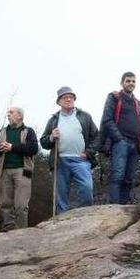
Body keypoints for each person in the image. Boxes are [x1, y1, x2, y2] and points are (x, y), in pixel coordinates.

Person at [40, 86, 99, 215]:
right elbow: (43, 142)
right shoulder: (54, 120)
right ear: (59, 102)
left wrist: (88, 153)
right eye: (65, 97)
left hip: (81, 160)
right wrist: (51, 137)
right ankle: (62, 224)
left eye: (71, 97)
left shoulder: (85, 117)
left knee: (87, 189)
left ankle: (82, 217)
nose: (68, 99)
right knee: (61, 197)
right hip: (60, 161)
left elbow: (97, 137)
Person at [0, 107, 39, 230]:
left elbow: (33, 148)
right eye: (8, 112)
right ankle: (8, 228)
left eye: (11, 113)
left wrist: (13, 148)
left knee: (21, 204)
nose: (8, 115)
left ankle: (21, 231)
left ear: (20, 116)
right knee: (5, 203)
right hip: (4, 170)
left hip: (22, 171)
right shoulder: (2, 132)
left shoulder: (28, 131)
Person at [100, 72, 140, 204]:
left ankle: (124, 208)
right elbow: (107, 120)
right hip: (120, 143)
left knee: (129, 178)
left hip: (135, 144)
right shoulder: (114, 97)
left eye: (133, 81)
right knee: (117, 176)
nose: (131, 83)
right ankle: (114, 208)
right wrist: (119, 138)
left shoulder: (138, 103)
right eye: (128, 81)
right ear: (122, 83)